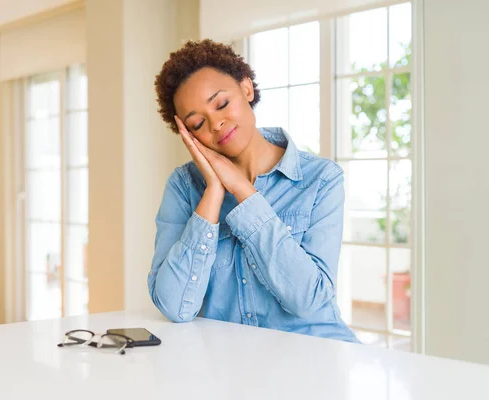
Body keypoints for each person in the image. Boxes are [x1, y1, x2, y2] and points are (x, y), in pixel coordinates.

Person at [148, 39, 359, 343]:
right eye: (197, 123)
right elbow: (175, 306)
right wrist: (213, 193)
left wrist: (242, 191)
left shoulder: (321, 180)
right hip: (233, 370)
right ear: (186, 133)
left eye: (221, 104)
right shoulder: (183, 187)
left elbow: (309, 300)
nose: (217, 123)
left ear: (246, 88)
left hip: (317, 360)